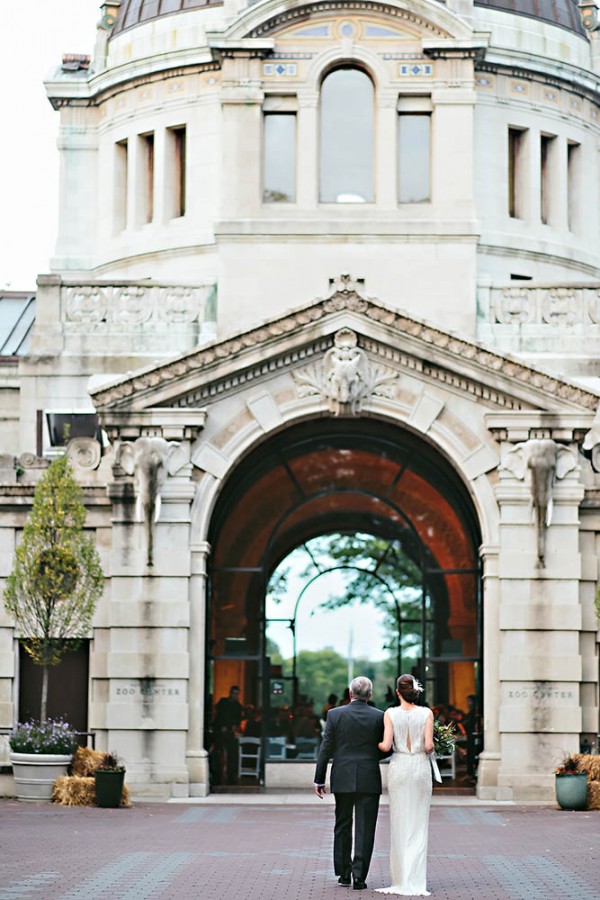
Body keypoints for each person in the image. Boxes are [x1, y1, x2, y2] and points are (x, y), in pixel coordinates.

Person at [313, 675, 387, 891]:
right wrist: (371, 757)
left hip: (342, 775)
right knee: (366, 827)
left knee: (342, 824)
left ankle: (344, 874)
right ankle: (360, 876)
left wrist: (319, 778)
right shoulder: (379, 716)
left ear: (350, 693)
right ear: (370, 695)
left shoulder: (335, 714)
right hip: (368, 775)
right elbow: (387, 747)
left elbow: (325, 748)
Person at [376, 674, 434, 896]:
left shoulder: (390, 713)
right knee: (419, 823)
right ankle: (415, 879)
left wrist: (376, 743)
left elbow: (386, 745)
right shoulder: (427, 713)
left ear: (398, 692)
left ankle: (401, 878)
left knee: (400, 822)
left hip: (399, 766)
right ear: (415, 692)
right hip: (419, 766)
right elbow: (428, 746)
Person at [213, 685, 243, 784]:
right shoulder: (223, 702)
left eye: (237, 694)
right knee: (219, 753)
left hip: (230, 732)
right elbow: (218, 715)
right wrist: (221, 726)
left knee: (231, 754)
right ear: (230, 693)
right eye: (234, 693)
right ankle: (217, 774)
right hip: (220, 731)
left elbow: (238, 719)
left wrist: (234, 727)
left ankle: (230, 775)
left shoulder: (238, 706)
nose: (235, 696)